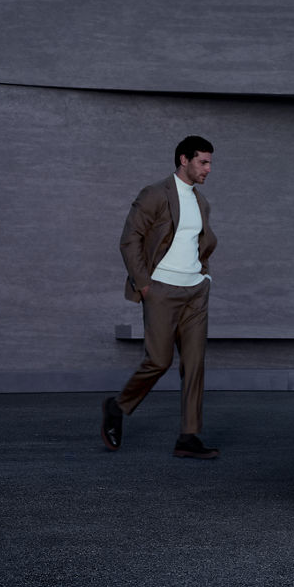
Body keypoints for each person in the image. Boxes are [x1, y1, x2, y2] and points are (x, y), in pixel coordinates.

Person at [101, 135, 219, 458]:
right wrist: (146, 286)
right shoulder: (155, 194)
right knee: (159, 360)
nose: (208, 169)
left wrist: (203, 276)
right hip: (162, 291)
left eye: (210, 162)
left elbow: (201, 244)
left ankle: (189, 436)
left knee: (194, 364)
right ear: (184, 159)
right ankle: (118, 406)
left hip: (196, 292)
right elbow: (130, 239)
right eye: (203, 162)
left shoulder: (201, 202)